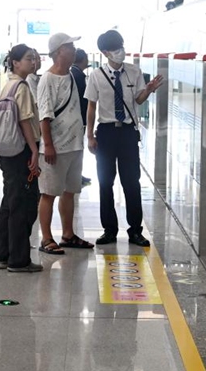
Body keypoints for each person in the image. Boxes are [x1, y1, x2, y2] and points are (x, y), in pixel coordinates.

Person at [85, 30, 163, 247]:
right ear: (105, 52)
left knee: (131, 182)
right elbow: (91, 106)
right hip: (107, 132)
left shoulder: (133, 71)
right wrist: (89, 135)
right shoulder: (96, 75)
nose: (121, 52)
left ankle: (135, 231)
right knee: (105, 182)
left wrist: (148, 90)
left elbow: (138, 100)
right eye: (116, 49)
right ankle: (109, 230)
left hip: (128, 133)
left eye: (121, 46)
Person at [36, 33, 93, 255]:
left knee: (70, 191)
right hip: (55, 148)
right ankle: (46, 238)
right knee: (49, 193)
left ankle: (68, 234)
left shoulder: (69, 76)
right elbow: (45, 114)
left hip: (74, 145)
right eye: (70, 46)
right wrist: (48, 145)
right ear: (59, 51)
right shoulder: (47, 79)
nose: (74, 50)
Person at [0, 44, 43, 273]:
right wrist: (34, 150)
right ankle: (19, 259)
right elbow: (25, 121)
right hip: (22, 150)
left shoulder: (8, 85)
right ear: (15, 62)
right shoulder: (21, 87)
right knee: (23, 205)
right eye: (28, 58)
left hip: (8, 152)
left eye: (33, 58)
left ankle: (4, 254)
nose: (32, 62)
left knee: (9, 203)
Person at [71, 48, 91, 187]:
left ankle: (77, 174)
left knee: (78, 148)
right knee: (77, 148)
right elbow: (82, 99)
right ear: (83, 60)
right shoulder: (77, 75)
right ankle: (75, 175)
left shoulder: (75, 73)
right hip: (77, 118)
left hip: (77, 118)